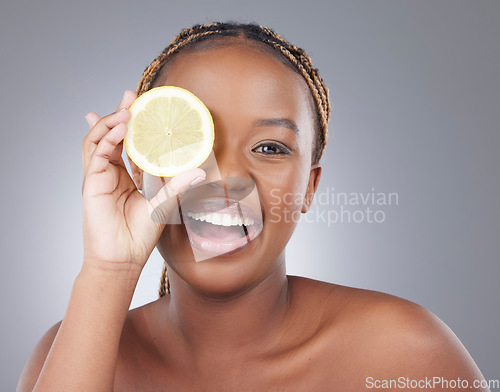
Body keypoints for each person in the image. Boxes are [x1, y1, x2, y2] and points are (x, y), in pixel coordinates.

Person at [17, 21, 489, 392]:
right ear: (140, 168)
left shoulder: (403, 354)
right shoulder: (70, 354)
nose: (226, 179)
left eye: (269, 148)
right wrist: (108, 270)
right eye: (193, 144)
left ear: (310, 187)